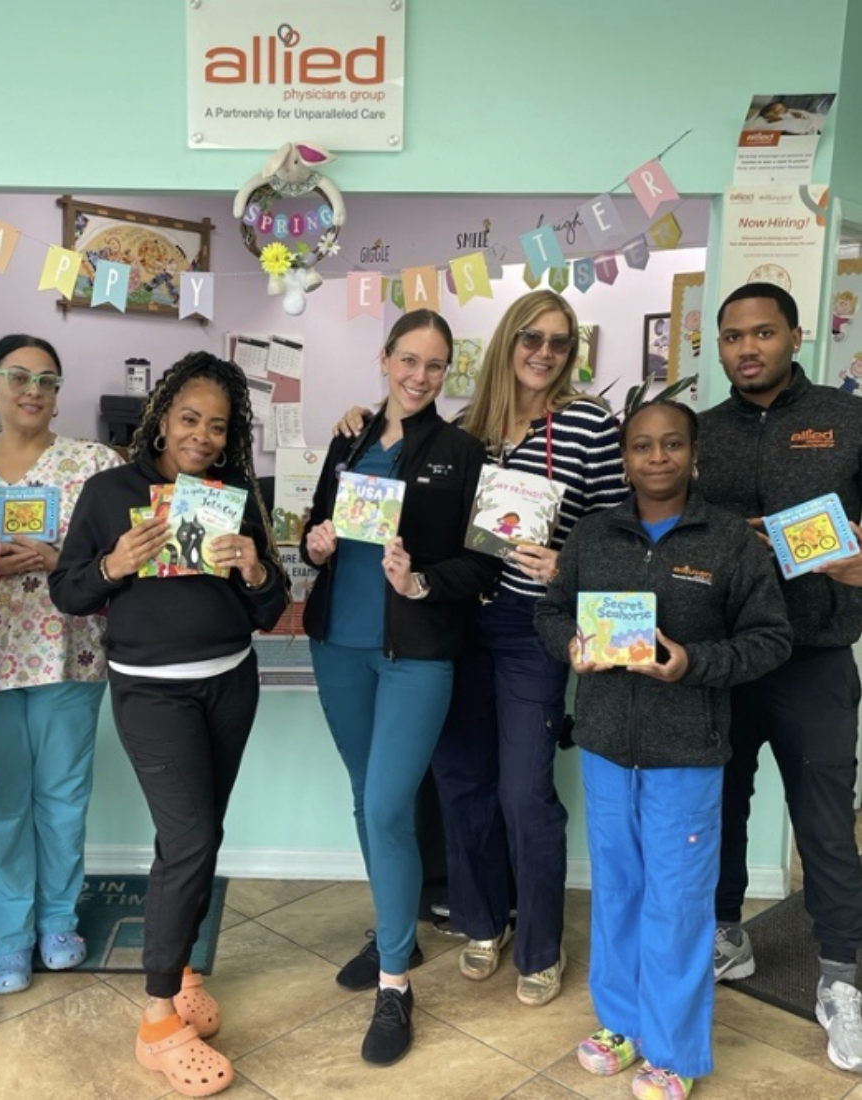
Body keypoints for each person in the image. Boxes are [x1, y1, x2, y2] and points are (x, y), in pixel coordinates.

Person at [535, 400, 791, 1100]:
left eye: (672, 444)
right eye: (642, 446)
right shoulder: (593, 534)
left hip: (687, 754)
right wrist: (571, 646)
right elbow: (551, 610)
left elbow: (770, 637)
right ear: (624, 458)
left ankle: (674, 1051)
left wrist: (692, 664)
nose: (657, 458)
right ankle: (621, 1024)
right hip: (606, 749)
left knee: (677, 902)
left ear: (694, 452)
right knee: (618, 890)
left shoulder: (729, 541)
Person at [49, 351, 287, 1098]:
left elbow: (269, 607)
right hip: (152, 693)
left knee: (196, 836)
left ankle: (179, 971)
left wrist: (255, 569)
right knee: (190, 841)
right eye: (189, 419)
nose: (201, 437)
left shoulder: (233, 493)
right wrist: (114, 564)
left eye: (216, 426)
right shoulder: (109, 492)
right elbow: (67, 592)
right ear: (160, 418)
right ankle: (157, 1021)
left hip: (231, 683)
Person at [300, 309, 498, 1066]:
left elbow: (483, 563)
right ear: (384, 359)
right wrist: (317, 544)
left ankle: (394, 984)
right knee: (365, 800)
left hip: (417, 653)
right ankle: (396, 937)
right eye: (408, 359)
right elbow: (315, 531)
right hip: (339, 645)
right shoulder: (348, 439)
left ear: (447, 373)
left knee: (388, 806)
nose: (420, 376)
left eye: (435, 365)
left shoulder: (461, 452)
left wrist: (419, 581)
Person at [433, 290, 625, 1005]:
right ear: (507, 341)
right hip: (458, 624)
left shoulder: (589, 424)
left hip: (529, 626)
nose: (544, 352)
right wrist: (362, 419)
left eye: (559, 342)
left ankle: (540, 942)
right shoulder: (464, 429)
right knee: (462, 779)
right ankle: (483, 921)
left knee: (523, 791)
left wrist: (566, 565)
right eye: (531, 337)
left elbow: (618, 533)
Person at [700, 282, 862, 1072]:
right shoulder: (699, 434)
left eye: (763, 333)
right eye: (733, 337)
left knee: (826, 823)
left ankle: (840, 979)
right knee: (719, 809)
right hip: (725, 660)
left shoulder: (847, 419)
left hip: (815, 656)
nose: (748, 348)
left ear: (796, 337)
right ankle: (726, 936)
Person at [0, 335, 123, 994]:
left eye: (47, 380)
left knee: (63, 798)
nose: (33, 390)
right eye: (18, 377)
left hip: (67, 653)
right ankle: (8, 940)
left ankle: (58, 922)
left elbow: (116, 556)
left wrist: (56, 561)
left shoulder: (94, 464)